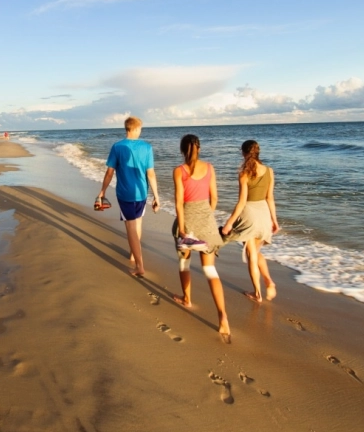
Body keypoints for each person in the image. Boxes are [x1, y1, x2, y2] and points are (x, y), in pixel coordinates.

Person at [171, 134, 231, 342]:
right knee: (209, 270)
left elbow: (179, 202)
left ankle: (187, 299)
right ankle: (222, 315)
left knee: (184, 263)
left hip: (187, 220)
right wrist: (206, 215)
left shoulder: (179, 171)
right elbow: (214, 198)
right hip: (207, 223)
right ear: (199, 148)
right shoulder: (210, 168)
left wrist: (183, 228)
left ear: (182, 149)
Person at [97, 117, 160, 277]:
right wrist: (156, 196)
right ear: (136, 129)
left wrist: (102, 191)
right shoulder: (146, 147)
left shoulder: (117, 147)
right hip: (141, 193)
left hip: (125, 193)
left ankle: (139, 265)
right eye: (140, 128)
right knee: (137, 222)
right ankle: (134, 254)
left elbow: (109, 172)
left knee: (130, 226)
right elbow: (151, 174)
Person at [221, 140, 280, 302]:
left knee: (251, 255)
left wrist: (229, 223)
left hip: (249, 214)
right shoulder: (269, 171)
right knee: (256, 250)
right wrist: (274, 220)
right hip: (264, 215)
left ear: (243, 153)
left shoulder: (244, 174)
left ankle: (257, 294)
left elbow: (241, 202)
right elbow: (270, 198)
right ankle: (268, 280)